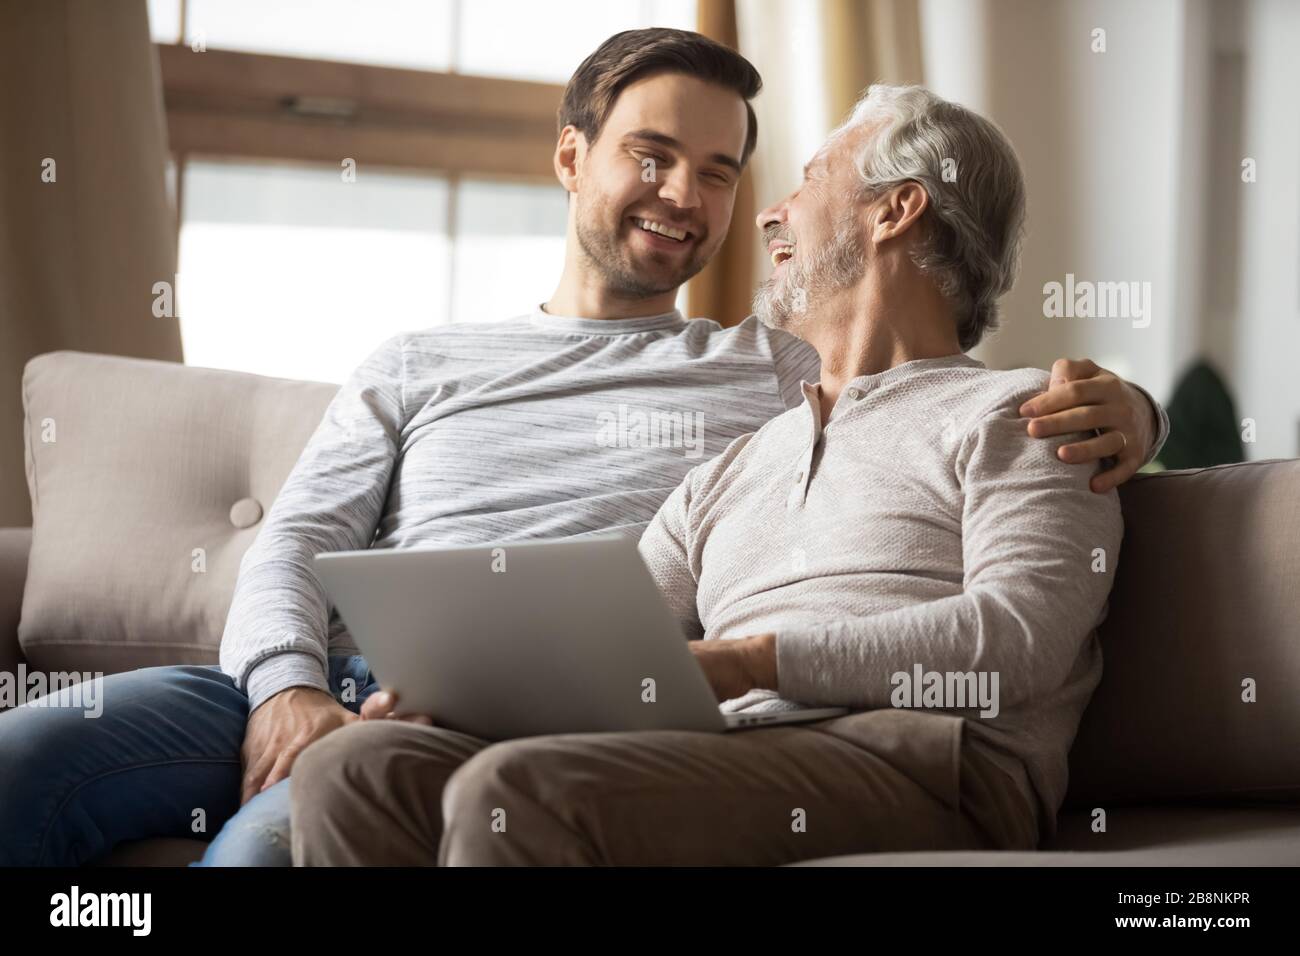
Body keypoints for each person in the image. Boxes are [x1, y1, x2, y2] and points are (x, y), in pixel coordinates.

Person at [0, 30, 1162, 867]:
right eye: (653, 155)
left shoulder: (837, 380)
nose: (722, 204)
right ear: (572, 159)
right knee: (71, 753)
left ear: (894, 209)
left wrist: (1135, 412)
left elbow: (1014, 606)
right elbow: (310, 541)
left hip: (884, 743)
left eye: (742, 174)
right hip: (369, 682)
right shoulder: (460, 372)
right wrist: (304, 689)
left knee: (393, 817)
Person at [288, 82, 1127, 866]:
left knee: (520, 790)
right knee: (359, 766)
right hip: (730, 751)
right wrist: (459, 691)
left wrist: (749, 663)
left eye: (808, 180)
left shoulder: (1025, 414)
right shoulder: (737, 463)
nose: (770, 214)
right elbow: (607, 647)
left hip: (929, 758)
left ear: (896, 210)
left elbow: (1017, 643)